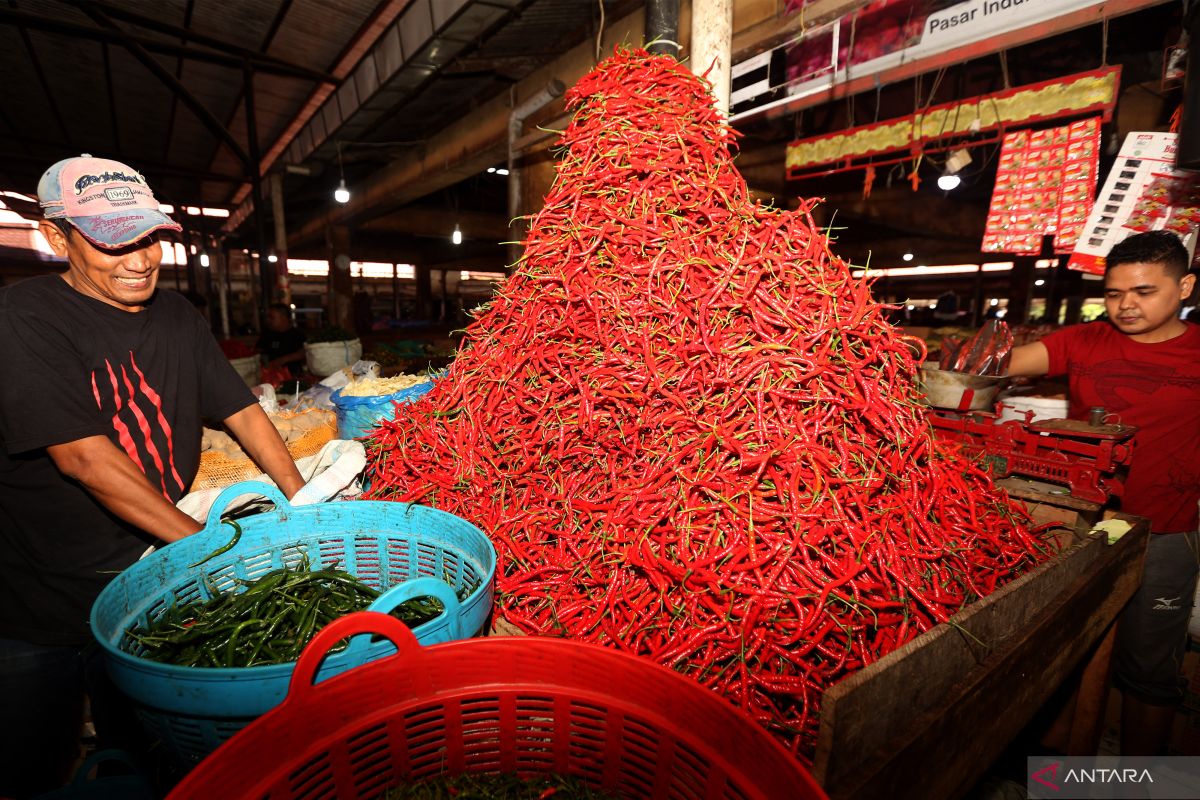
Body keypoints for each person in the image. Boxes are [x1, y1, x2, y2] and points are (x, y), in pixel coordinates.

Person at [0, 155, 306, 797]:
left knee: (146, 756)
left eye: (148, 238)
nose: (139, 260)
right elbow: (82, 456)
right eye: (113, 243)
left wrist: (303, 500)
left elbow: (242, 410)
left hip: (147, 581)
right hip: (40, 598)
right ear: (57, 238)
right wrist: (206, 547)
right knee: (37, 765)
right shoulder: (23, 317)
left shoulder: (177, 315)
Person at [1009, 230, 1200, 757]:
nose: (1126, 305)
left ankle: (1145, 785)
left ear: (1184, 286)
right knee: (1059, 654)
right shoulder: (1083, 340)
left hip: (1164, 529)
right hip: (1079, 522)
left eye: (1143, 291)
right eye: (1114, 293)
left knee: (1149, 671)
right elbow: (999, 364)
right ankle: (1056, 782)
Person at [257, 301, 306, 377]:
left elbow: (305, 352)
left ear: (284, 317)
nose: (268, 320)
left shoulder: (297, 334)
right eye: (268, 317)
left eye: (272, 317)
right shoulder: (267, 334)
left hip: (293, 376)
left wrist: (282, 360)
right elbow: (259, 351)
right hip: (270, 376)